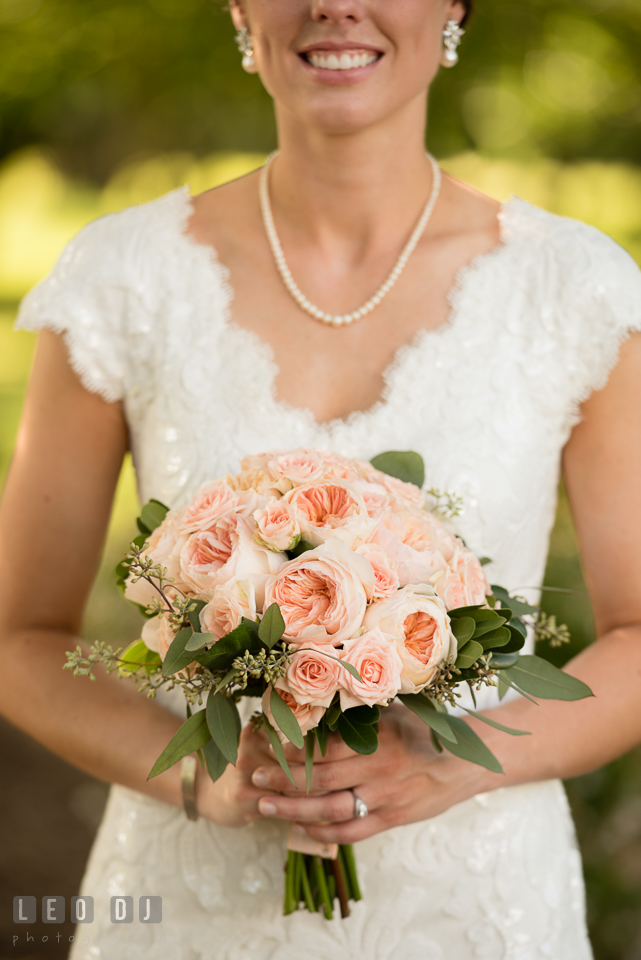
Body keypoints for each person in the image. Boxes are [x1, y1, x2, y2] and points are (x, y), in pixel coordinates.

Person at [2, 0, 641, 956]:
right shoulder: (124, 278)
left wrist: (457, 768)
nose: (334, 4)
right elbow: (19, 636)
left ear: (455, 8)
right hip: (185, 906)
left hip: (475, 902)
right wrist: (201, 777)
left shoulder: (574, 288)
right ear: (239, 10)